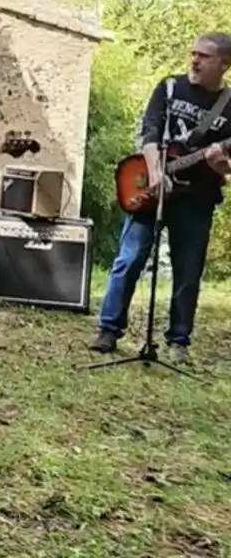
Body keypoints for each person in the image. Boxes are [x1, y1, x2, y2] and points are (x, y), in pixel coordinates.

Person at [89, 33, 231, 364]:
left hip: (197, 199)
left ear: (223, 64)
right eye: (193, 53)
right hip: (153, 189)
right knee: (129, 258)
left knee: (188, 270)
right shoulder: (169, 87)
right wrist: (155, 172)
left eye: (204, 56)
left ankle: (178, 341)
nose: (194, 60)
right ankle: (108, 330)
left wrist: (222, 165)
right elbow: (150, 130)